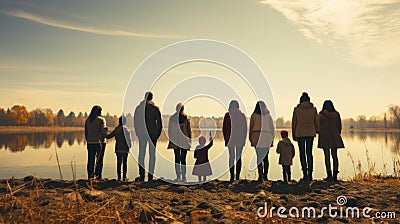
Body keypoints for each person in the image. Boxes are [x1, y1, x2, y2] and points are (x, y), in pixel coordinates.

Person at [134, 92, 162, 182]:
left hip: (142, 134)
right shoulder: (155, 108)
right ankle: (150, 176)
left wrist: (138, 133)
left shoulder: (139, 108)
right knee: (152, 155)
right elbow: (160, 124)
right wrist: (157, 135)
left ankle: (141, 175)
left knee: (141, 154)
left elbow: (135, 122)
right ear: (152, 98)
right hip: (153, 134)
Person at [292, 92, 320, 181]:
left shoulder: (297, 109)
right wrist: (318, 130)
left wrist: (293, 134)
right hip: (310, 132)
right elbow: (316, 121)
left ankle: (304, 173)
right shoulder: (313, 109)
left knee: (302, 154)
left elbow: (294, 123)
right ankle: (310, 174)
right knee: (309, 153)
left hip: (300, 132)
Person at [318, 100, 344, 182]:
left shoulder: (321, 115)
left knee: (327, 156)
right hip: (334, 136)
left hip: (325, 136)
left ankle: (329, 175)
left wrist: (320, 132)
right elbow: (339, 126)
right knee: (335, 156)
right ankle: (335, 176)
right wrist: (337, 133)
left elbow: (318, 126)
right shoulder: (336, 114)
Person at [249, 101, 275, 181]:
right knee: (266, 158)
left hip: (256, 136)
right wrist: (272, 138)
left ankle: (260, 175)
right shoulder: (268, 116)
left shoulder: (253, 116)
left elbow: (251, 128)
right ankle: (265, 175)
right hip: (266, 136)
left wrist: (250, 138)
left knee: (259, 157)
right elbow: (272, 128)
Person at [223, 100, 247, 182]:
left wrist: (226, 139)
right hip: (240, 139)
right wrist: (244, 139)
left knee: (231, 157)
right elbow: (245, 129)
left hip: (230, 139)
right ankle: (237, 176)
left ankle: (231, 176)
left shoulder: (227, 115)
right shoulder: (242, 115)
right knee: (238, 158)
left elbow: (224, 128)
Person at [167, 103, 192, 182]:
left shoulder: (172, 119)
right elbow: (189, 131)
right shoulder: (186, 119)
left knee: (177, 159)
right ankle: (184, 177)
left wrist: (171, 139)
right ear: (183, 109)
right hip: (184, 141)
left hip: (175, 141)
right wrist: (189, 140)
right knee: (183, 159)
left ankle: (178, 176)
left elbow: (169, 130)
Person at [84, 105, 108, 180]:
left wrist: (88, 140)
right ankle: (98, 176)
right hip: (99, 143)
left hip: (90, 142)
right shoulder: (101, 120)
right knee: (99, 160)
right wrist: (107, 131)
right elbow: (103, 132)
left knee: (91, 159)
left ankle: (90, 176)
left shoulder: (88, 120)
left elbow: (86, 132)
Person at [106, 116, 132, 181]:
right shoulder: (126, 130)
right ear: (125, 122)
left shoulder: (116, 129)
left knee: (119, 163)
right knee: (125, 163)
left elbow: (109, 136)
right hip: (125, 149)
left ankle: (119, 177)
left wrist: (104, 133)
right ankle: (124, 177)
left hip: (118, 148)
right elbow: (129, 140)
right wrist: (130, 146)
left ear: (119, 121)